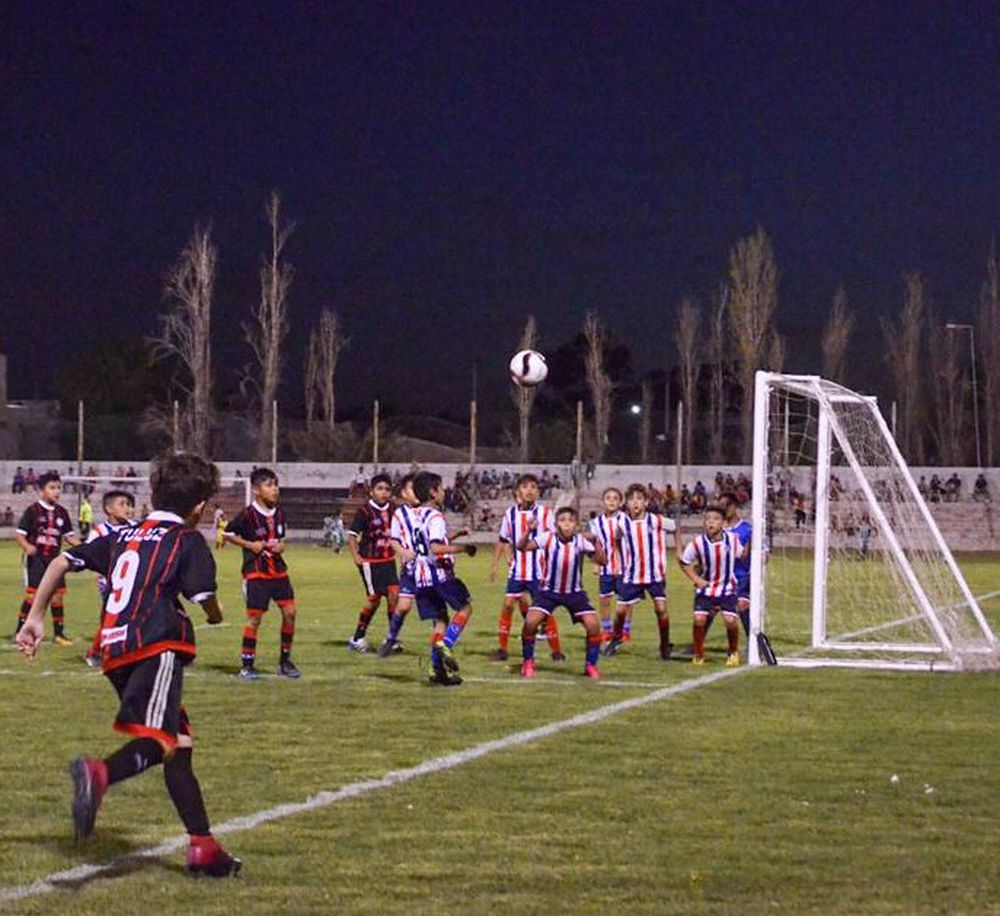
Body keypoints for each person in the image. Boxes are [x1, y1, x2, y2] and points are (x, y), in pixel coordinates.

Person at [14, 454, 241, 876]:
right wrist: (215, 613)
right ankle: (99, 773)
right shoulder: (187, 540)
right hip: (156, 643)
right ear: (199, 507)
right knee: (161, 741)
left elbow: (62, 561)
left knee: (179, 746)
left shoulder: (123, 534)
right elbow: (203, 598)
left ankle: (203, 847)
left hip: (115, 650)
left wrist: (35, 618)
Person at [224, 468, 300, 680]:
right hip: (256, 571)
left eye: (276, 485)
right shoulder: (248, 514)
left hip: (278, 570)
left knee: (290, 613)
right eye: (269, 485)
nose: (275, 489)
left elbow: (281, 538)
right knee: (255, 618)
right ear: (257, 490)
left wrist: (281, 546)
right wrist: (250, 544)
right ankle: (247, 665)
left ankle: (285, 662)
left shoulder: (280, 512)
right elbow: (227, 533)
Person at [517, 507, 607, 679]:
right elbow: (522, 547)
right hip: (548, 592)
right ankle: (528, 661)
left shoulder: (581, 541)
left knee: (593, 626)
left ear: (576, 525)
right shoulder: (548, 538)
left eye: (571, 520)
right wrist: (528, 530)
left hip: (574, 593)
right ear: (556, 524)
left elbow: (602, 561)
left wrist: (596, 542)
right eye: (562, 520)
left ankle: (590, 665)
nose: (567, 524)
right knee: (530, 622)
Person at [409, 471, 477, 686]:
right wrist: (463, 548)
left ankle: (436, 670)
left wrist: (456, 536)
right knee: (465, 609)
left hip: (420, 579)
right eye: (440, 488)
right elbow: (436, 547)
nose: (444, 491)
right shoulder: (436, 516)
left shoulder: (415, 516)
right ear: (432, 492)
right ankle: (445, 644)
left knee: (440, 621)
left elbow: (427, 542)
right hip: (439, 575)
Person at [488, 474, 564, 663]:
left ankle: (556, 650)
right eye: (524, 486)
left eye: (533, 487)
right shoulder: (510, 514)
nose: (529, 490)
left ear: (538, 492)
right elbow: (503, 540)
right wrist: (496, 564)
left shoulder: (545, 514)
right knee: (507, 605)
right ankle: (502, 649)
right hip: (517, 571)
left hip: (539, 572)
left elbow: (555, 539)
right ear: (517, 492)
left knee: (543, 611)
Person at [604, 483, 681, 660]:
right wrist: (618, 559)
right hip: (632, 575)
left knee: (661, 609)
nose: (635, 503)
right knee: (621, 611)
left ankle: (664, 644)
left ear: (646, 502)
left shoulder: (656, 520)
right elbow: (616, 539)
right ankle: (616, 639)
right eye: (631, 499)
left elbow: (676, 527)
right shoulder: (622, 523)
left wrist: (679, 550)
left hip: (655, 574)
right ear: (626, 503)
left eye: (639, 499)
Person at [14, 471, 80, 644]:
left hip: (55, 560)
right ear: (41, 491)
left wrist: (83, 546)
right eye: (52, 488)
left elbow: (69, 537)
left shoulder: (62, 513)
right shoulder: (32, 511)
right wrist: (27, 546)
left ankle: (59, 634)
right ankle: (20, 629)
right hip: (36, 560)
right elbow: (20, 535)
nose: (57, 491)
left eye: (59, 488)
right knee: (33, 596)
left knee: (57, 596)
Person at [680, 504, 744, 667]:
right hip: (706, 588)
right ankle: (699, 653)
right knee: (699, 619)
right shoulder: (697, 543)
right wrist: (696, 579)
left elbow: (742, 555)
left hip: (727, 588)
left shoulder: (732, 539)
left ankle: (733, 652)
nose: (711, 523)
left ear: (723, 523)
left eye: (715, 519)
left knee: (730, 621)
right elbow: (684, 562)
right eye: (708, 519)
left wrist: (755, 542)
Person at [83, 489, 137, 668]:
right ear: (109, 509)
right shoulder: (100, 531)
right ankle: (95, 653)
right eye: (122, 504)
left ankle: (122, 650)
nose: (128, 509)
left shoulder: (135, 528)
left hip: (132, 579)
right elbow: (91, 555)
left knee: (128, 616)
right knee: (112, 616)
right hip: (109, 581)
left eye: (130, 505)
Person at [345, 473, 398, 653]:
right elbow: (352, 535)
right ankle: (357, 637)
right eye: (380, 489)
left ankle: (392, 638)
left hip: (389, 560)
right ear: (372, 491)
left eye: (387, 489)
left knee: (394, 597)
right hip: (370, 561)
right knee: (374, 599)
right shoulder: (365, 511)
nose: (384, 493)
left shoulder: (394, 509)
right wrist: (356, 556)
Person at [380, 474, 420, 656]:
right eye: (413, 488)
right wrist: (404, 553)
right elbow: (394, 540)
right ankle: (391, 638)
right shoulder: (400, 514)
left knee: (438, 611)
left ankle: (442, 646)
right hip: (410, 570)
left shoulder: (430, 512)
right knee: (403, 606)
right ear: (404, 493)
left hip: (430, 570)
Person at [588, 487, 624, 643]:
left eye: (615, 498)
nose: (611, 501)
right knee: (605, 600)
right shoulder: (596, 523)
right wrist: (596, 563)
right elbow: (595, 544)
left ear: (620, 502)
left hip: (624, 568)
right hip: (606, 567)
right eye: (608, 498)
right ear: (603, 502)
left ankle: (625, 630)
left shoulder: (625, 519)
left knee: (625, 602)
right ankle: (607, 630)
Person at [721, 493, 753, 635]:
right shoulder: (718, 530)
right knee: (707, 611)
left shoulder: (748, 530)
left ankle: (753, 645)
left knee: (742, 606)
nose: (722, 509)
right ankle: (697, 648)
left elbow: (763, 556)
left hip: (741, 578)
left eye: (725, 505)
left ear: (734, 507)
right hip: (720, 578)